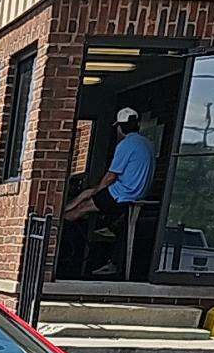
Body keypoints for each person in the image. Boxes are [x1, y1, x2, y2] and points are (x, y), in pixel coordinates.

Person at [63, 107, 155, 276]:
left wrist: (97, 190)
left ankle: (59, 233)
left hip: (122, 194)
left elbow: (111, 176)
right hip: (138, 195)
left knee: (81, 208)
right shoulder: (147, 143)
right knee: (85, 197)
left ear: (120, 127)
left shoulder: (126, 144)